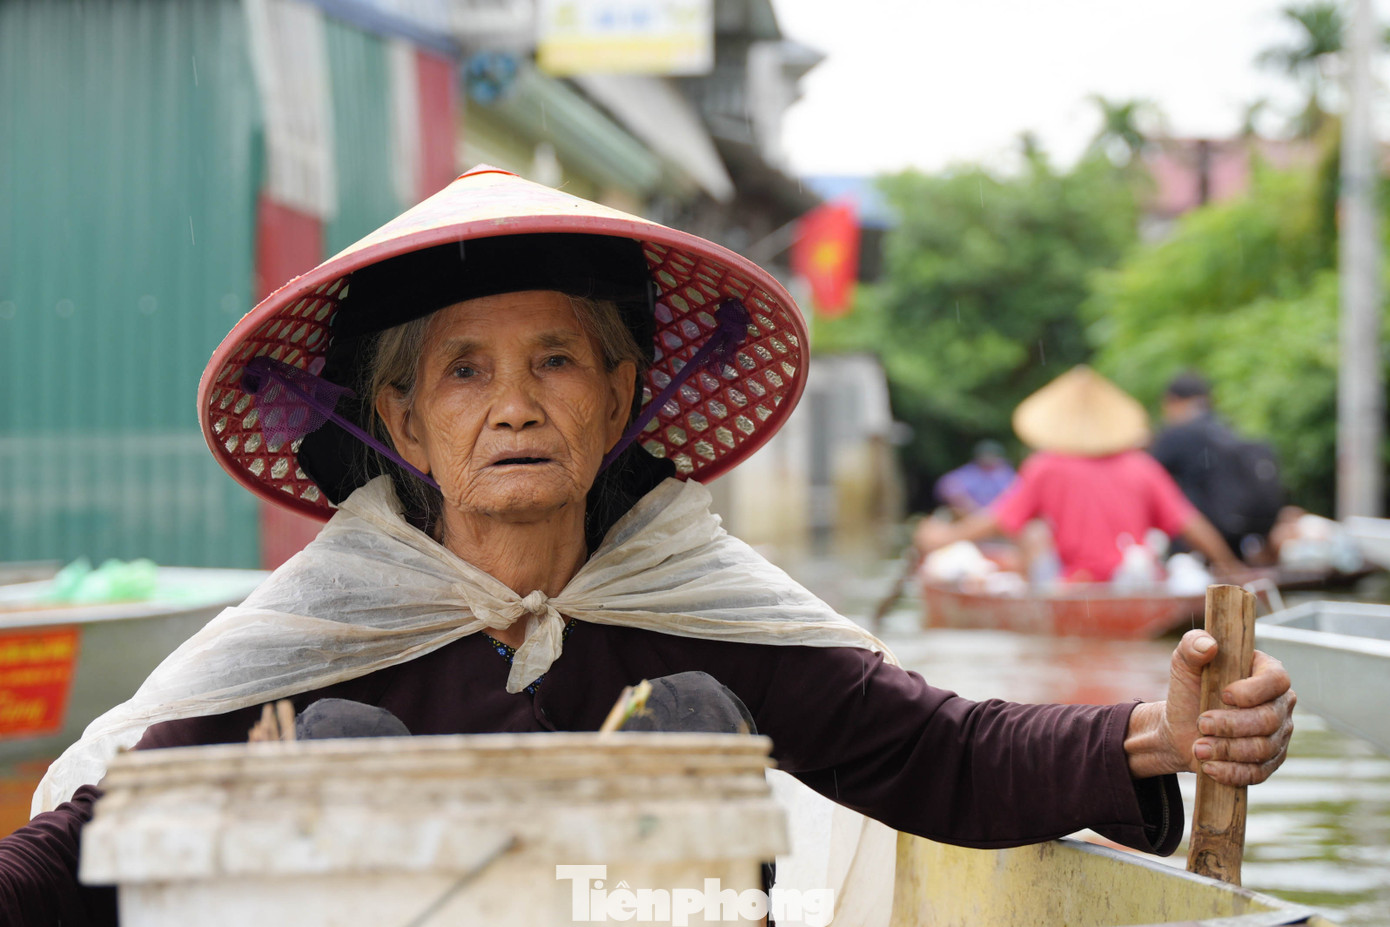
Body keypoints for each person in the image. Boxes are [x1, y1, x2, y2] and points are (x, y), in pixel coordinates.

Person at [0, 168, 1294, 925]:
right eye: (463, 371)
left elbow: (934, 752)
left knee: (687, 714)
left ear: (617, 401)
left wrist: (1157, 735)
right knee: (331, 757)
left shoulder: (689, 595)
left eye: (555, 358)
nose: (513, 401)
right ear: (401, 418)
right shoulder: (329, 622)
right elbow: (103, 842)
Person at [917, 366, 1243, 583]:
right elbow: (1191, 523)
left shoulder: (1047, 466)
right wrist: (1231, 568)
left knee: (1031, 542)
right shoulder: (1141, 466)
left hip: (1077, 584)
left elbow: (1001, 519)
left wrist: (944, 538)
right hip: (1133, 581)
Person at [1151, 371, 1284, 560]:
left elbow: (1147, 479)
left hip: (1197, 548)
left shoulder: (1176, 436)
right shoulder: (1227, 430)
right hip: (1239, 541)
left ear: (1173, 401)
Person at [934, 439, 1016, 516]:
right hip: (970, 517)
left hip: (999, 518)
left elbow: (1016, 493)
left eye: (993, 455)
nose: (989, 459)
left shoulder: (1006, 473)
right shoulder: (970, 472)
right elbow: (947, 485)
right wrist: (970, 507)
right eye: (986, 455)